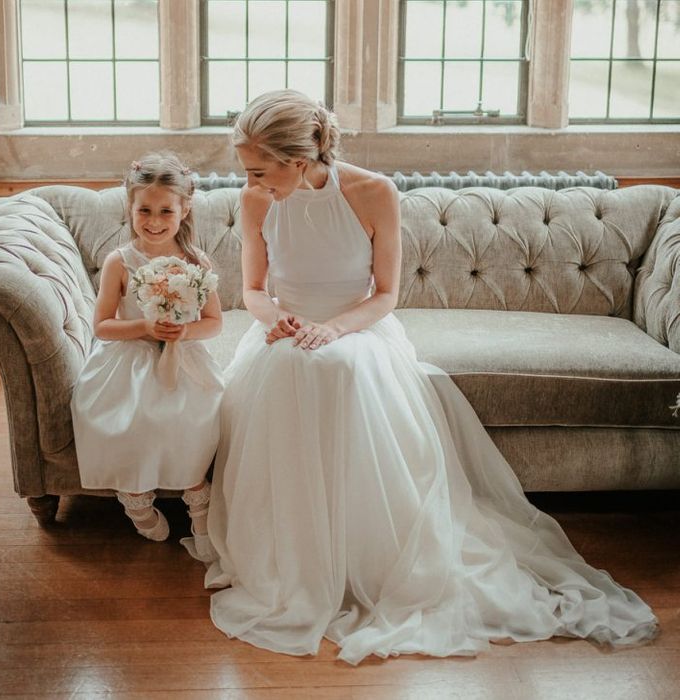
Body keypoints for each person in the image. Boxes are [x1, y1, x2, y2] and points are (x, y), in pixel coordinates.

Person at [188, 90, 658, 665]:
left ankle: (368, 556)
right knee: (294, 366)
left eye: (260, 170)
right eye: (247, 172)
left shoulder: (372, 192)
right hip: (285, 332)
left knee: (337, 366)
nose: (252, 182)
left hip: (357, 329)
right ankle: (298, 557)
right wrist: (278, 320)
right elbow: (256, 291)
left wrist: (335, 330)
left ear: (298, 158)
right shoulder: (257, 200)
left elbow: (386, 295)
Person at [72, 151, 223, 558]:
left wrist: (184, 331)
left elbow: (214, 322)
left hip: (183, 358)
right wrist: (143, 327)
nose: (154, 221)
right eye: (144, 210)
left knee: (193, 421)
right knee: (133, 422)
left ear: (184, 209)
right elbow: (102, 324)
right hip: (130, 359)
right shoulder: (119, 262)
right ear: (130, 207)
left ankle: (199, 501)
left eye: (165, 211)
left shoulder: (196, 261)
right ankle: (137, 501)